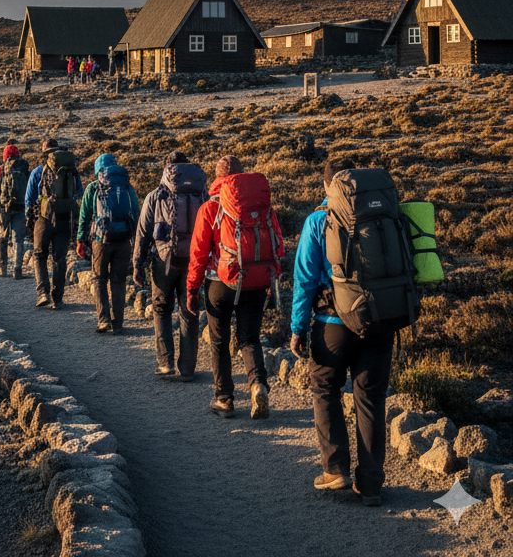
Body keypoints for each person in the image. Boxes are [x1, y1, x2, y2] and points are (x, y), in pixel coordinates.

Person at [291, 158, 395, 505]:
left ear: (326, 186)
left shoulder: (318, 220)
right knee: (370, 399)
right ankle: (371, 485)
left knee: (324, 388)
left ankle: (335, 470)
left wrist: (297, 328)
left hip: (332, 325)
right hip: (380, 322)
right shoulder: (382, 214)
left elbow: (304, 280)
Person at [187, 159, 283, 419]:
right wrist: (273, 277)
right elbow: (278, 246)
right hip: (255, 279)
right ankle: (258, 385)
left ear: (217, 179)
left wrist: (191, 289)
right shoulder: (264, 208)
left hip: (220, 284)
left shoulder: (210, 208)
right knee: (249, 339)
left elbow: (198, 253)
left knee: (219, 340)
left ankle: (224, 398)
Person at [134, 152, 208, 379]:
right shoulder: (202, 194)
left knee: (161, 309)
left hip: (162, 260)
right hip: (194, 262)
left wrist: (137, 264)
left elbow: (143, 231)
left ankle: (165, 364)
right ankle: (187, 368)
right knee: (190, 312)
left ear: (167, 170)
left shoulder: (155, 196)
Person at [77, 153, 140, 333]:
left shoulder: (93, 187)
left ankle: (103, 319)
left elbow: (85, 216)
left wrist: (81, 240)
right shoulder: (127, 186)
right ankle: (118, 323)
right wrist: (136, 240)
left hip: (100, 240)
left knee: (99, 279)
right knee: (118, 281)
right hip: (123, 239)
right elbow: (136, 212)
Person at [25, 139, 83, 310]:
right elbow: (79, 193)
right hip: (64, 218)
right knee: (59, 258)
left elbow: (29, 199)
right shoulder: (72, 172)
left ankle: (42, 293)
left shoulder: (38, 172)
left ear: (45, 153)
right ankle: (57, 298)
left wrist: (29, 219)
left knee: (39, 255)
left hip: (43, 219)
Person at [0, 144, 30, 278]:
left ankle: (2, 267)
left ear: (4, 156)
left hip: (3, 209)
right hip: (20, 208)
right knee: (18, 239)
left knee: (2, 237)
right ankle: (17, 268)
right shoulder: (25, 170)